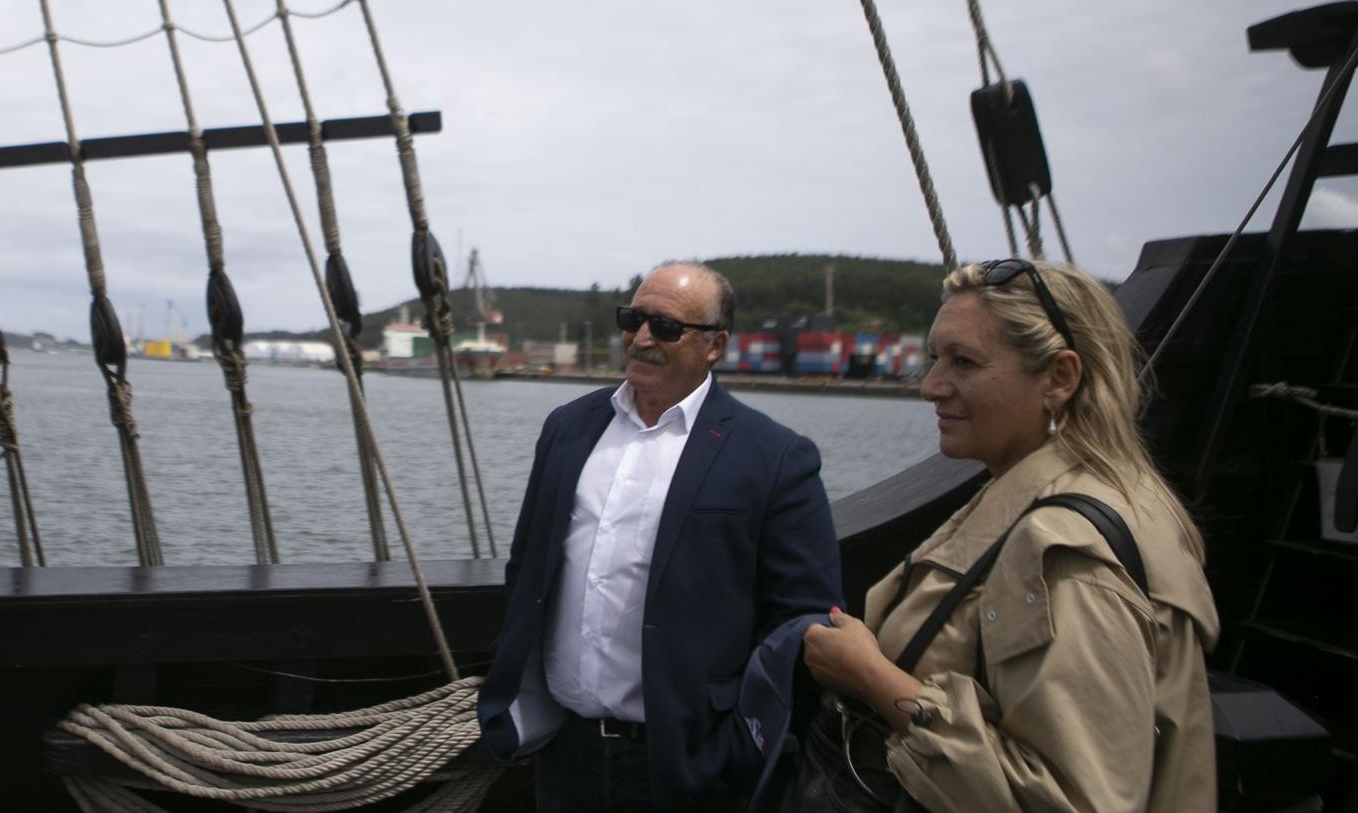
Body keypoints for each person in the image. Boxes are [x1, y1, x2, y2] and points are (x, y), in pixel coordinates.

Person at [798, 259, 1219, 812]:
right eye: (934, 359)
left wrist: (872, 678)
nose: (930, 386)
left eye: (964, 362)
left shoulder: (1065, 551)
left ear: (1060, 378)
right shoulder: (1097, 491)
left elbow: (1077, 800)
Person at [478, 260, 841, 810]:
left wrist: (739, 750)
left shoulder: (773, 457)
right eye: (633, 319)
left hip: (686, 768)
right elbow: (527, 564)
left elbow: (804, 621)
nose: (642, 337)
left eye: (665, 327)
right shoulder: (567, 428)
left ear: (715, 345)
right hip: (563, 752)